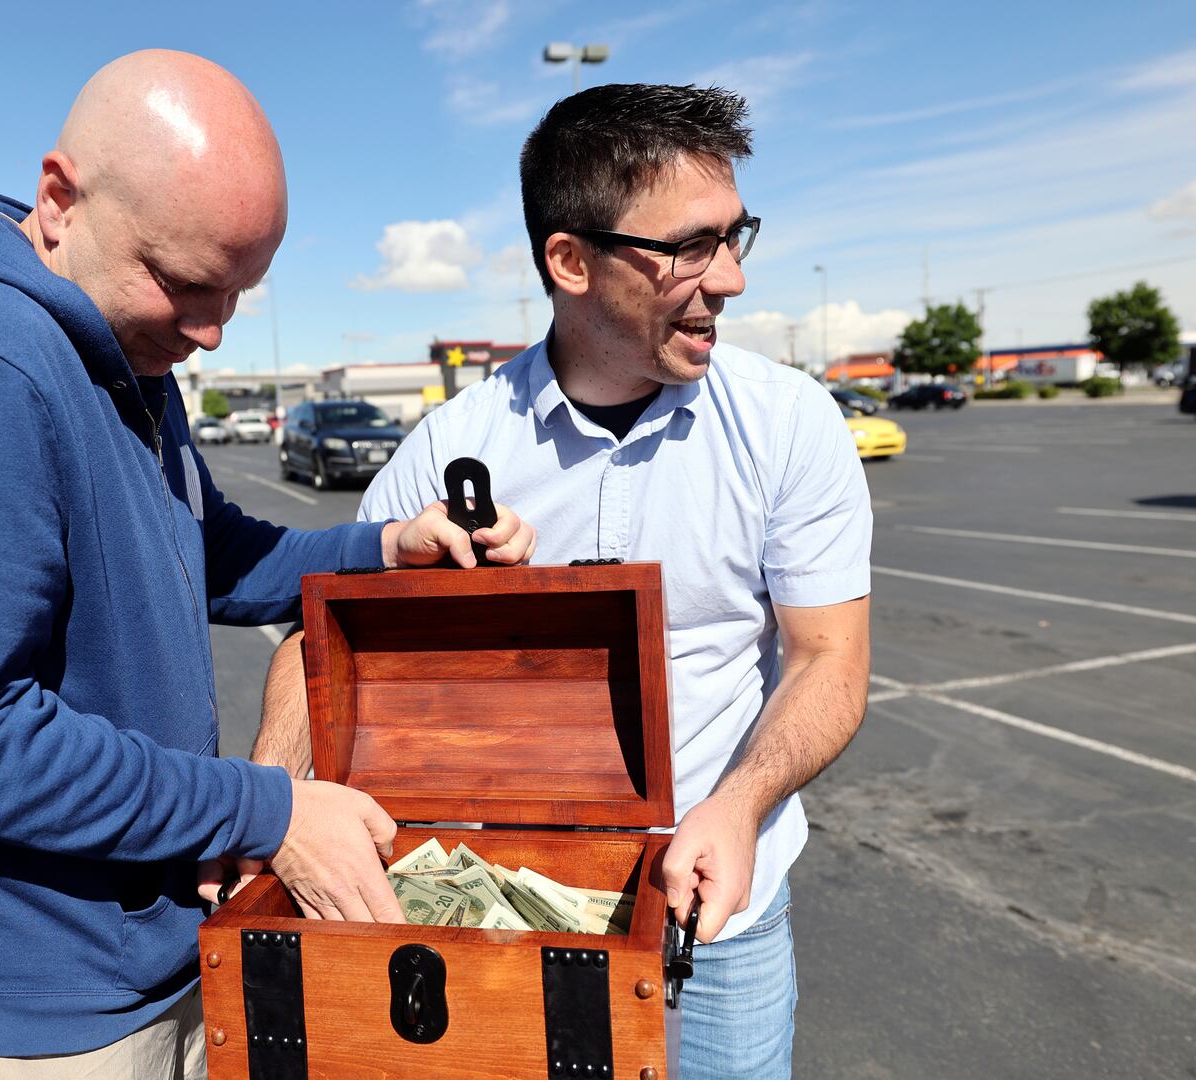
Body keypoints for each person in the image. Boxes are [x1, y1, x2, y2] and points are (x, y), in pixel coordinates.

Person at [0, 51, 534, 1079]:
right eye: (186, 284)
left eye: (238, 292)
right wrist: (267, 812)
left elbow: (210, 549)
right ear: (59, 200)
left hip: (131, 974)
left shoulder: (121, 349)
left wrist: (384, 547)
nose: (212, 332)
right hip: (7, 1025)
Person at [254, 83, 871, 1079]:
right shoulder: (451, 445)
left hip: (720, 922)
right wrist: (273, 804)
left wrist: (740, 804)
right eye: (689, 247)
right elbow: (314, 644)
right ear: (570, 261)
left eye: (734, 235)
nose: (730, 278)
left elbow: (828, 658)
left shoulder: (789, 424)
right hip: (506, 930)